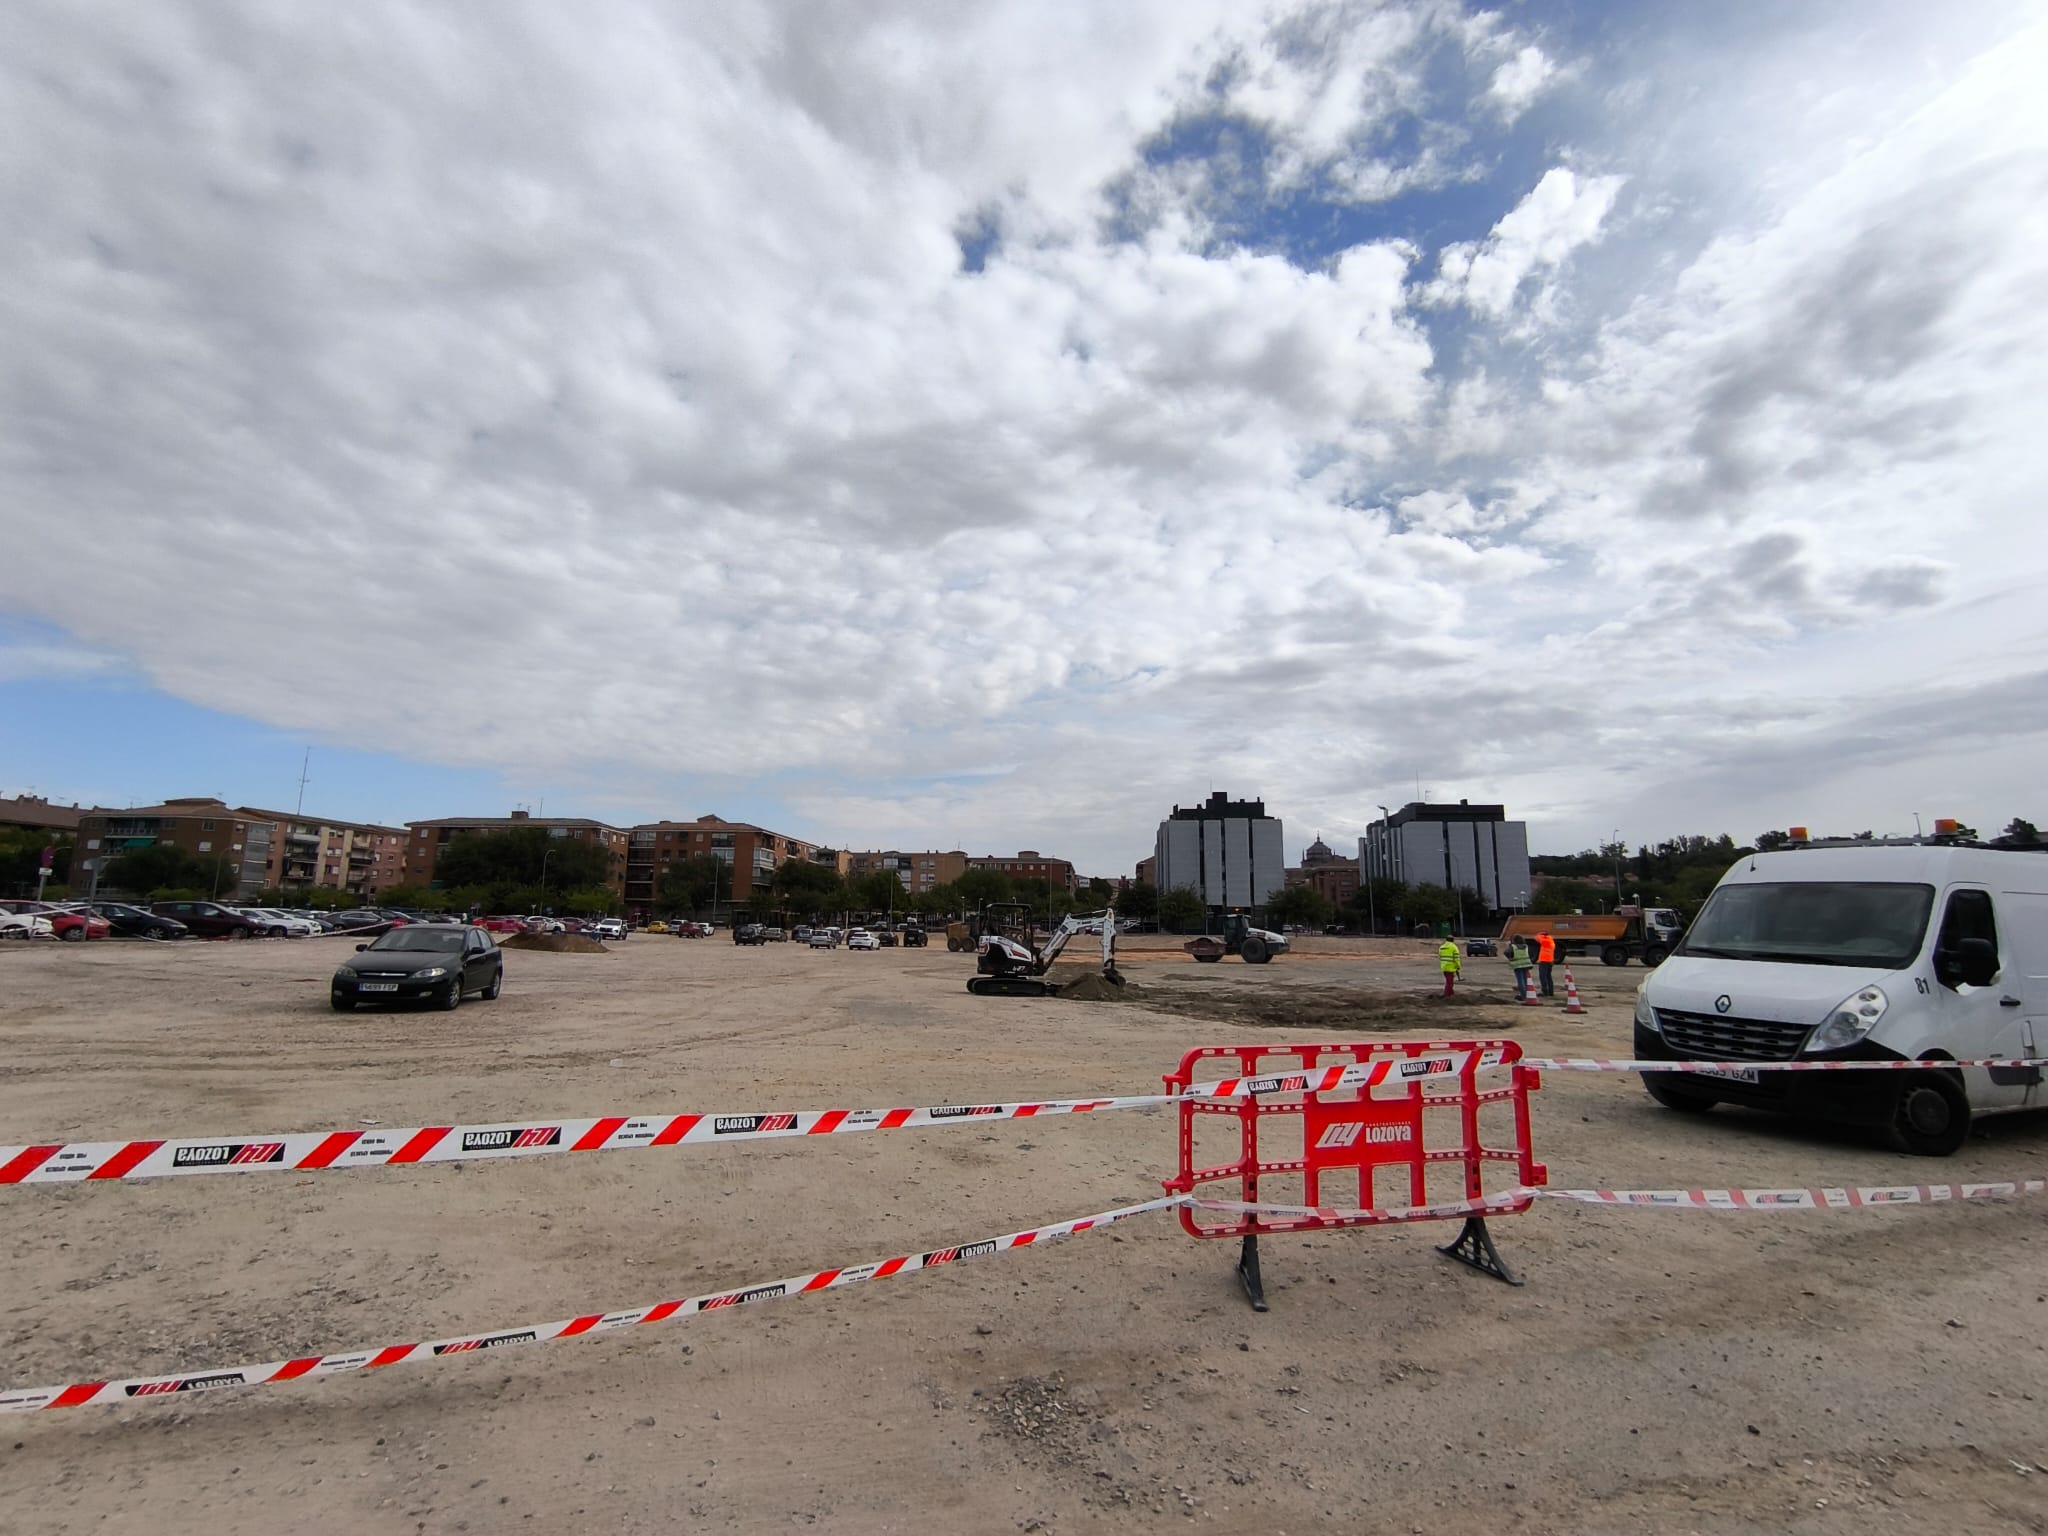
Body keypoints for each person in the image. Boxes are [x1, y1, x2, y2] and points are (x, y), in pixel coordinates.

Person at [1537, 931, 1557, 997]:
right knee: (1548, 977)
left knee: (1543, 976)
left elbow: (1537, 938)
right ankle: (1551, 992)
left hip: (1544, 961)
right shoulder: (1551, 940)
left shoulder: (1546, 941)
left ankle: (1545, 991)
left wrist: (1540, 934)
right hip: (1550, 961)